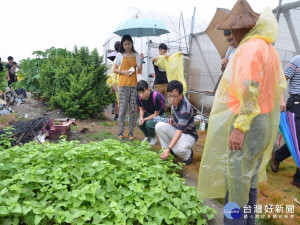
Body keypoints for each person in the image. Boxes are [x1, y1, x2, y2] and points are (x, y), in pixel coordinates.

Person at [197, 1, 286, 224]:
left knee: (236, 182)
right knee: (250, 179)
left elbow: (249, 89)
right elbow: (277, 87)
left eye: (232, 31)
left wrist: (239, 128)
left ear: (240, 28)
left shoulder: (249, 49)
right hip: (264, 122)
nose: (231, 36)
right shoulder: (268, 48)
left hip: (247, 124)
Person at [270, 55, 300, 189]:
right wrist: (281, 99)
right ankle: (278, 155)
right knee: (296, 140)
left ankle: (297, 178)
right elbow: (281, 80)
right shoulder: (296, 60)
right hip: (296, 103)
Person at [155, 80, 198, 165]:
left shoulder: (185, 108)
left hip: (189, 135)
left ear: (181, 94)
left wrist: (170, 148)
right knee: (159, 126)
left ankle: (188, 155)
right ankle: (166, 152)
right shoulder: (175, 101)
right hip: (178, 128)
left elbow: (179, 132)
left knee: (177, 149)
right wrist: (173, 119)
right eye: (169, 96)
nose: (171, 99)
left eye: (174, 96)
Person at [114, 35, 143, 141]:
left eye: (129, 44)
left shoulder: (137, 54)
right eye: (125, 44)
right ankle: (120, 132)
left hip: (134, 85)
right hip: (123, 85)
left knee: (133, 110)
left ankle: (131, 132)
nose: (127, 46)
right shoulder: (120, 55)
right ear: (122, 45)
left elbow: (139, 70)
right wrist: (123, 72)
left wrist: (141, 61)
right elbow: (115, 69)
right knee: (122, 109)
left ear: (132, 43)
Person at [136, 80, 165, 145]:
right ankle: (147, 136)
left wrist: (145, 119)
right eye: (139, 93)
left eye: (143, 92)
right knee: (139, 122)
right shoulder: (139, 97)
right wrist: (141, 117)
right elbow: (141, 109)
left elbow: (156, 114)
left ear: (148, 89)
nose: (141, 95)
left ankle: (153, 137)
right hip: (149, 114)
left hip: (159, 115)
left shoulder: (155, 96)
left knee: (148, 123)